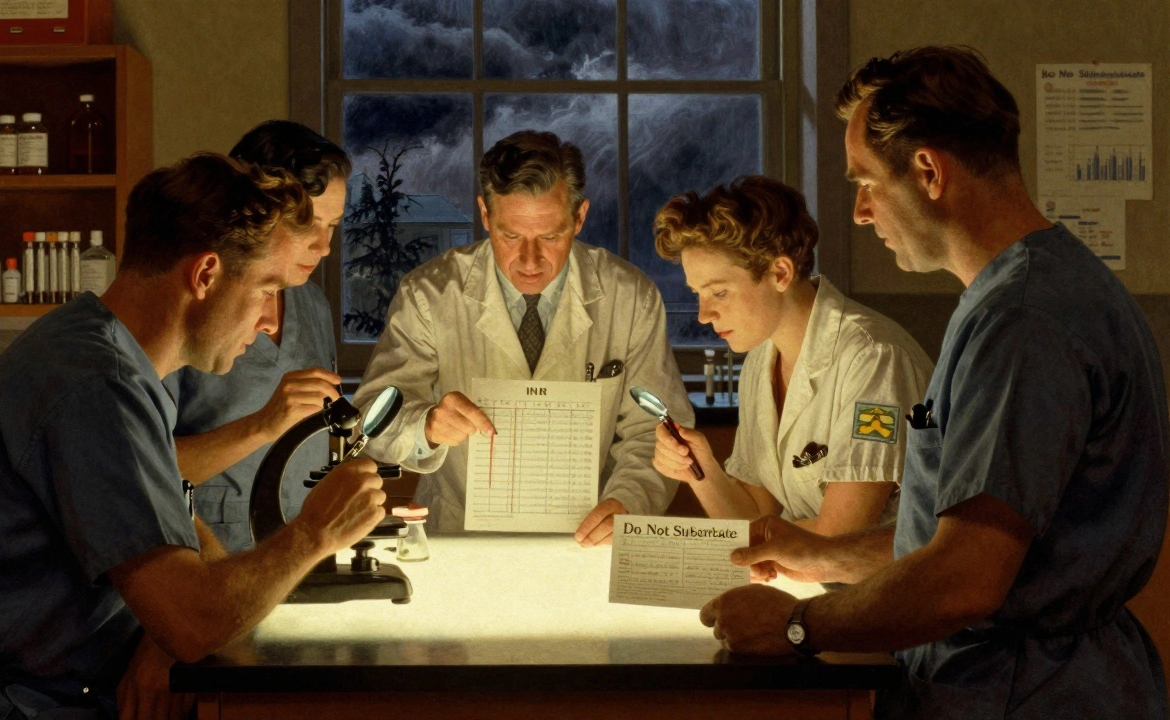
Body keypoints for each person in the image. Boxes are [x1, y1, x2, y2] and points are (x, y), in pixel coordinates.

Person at [700, 46, 1168, 719]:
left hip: (1022, 694)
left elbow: (967, 578)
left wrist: (799, 627)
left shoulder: (1023, 321)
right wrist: (824, 554)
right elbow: (963, 536)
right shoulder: (1034, 289)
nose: (860, 213)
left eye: (865, 183)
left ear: (927, 172)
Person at [0, 153, 387, 718]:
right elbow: (192, 622)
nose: (272, 321)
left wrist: (164, 623)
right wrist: (315, 533)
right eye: (267, 289)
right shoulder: (99, 386)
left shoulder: (106, 351)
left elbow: (170, 518)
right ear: (205, 275)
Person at [354, 130, 692, 545]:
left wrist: (628, 501)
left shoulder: (630, 296)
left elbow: (654, 430)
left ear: (580, 217)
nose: (530, 262)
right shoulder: (429, 294)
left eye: (550, 237)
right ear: (484, 214)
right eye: (510, 236)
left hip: (589, 536)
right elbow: (371, 422)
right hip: (461, 538)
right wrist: (425, 426)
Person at [650, 175, 932, 535]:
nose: (704, 315)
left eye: (718, 293)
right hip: (813, 578)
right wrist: (700, 469)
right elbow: (752, 519)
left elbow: (840, 536)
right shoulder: (761, 360)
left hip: (881, 586)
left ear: (779, 272)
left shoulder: (874, 360)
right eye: (697, 294)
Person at [164, 121, 351, 552]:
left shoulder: (313, 305)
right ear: (256, 211)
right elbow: (142, 468)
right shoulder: (193, 303)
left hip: (301, 547)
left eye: (334, 226)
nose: (324, 247)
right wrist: (260, 425)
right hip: (211, 553)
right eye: (309, 225)